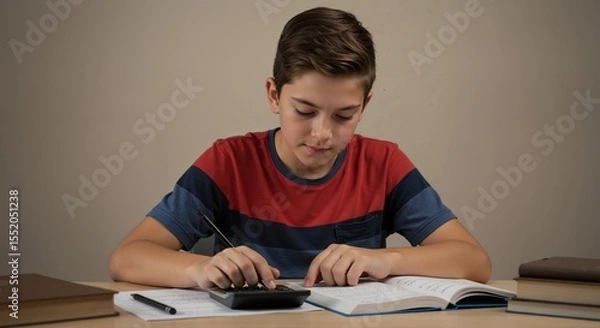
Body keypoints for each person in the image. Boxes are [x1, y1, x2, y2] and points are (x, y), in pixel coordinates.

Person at [109, 6, 491, 290]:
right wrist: (197, 270)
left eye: (344, 115)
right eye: (305, 111)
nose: (322, 133)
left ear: (365, 105)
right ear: (274, 95)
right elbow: (127, 257)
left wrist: (385, 259)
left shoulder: (383, 163)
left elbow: (474, 261)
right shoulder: (229, 161)